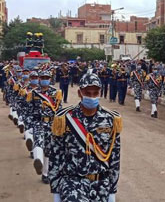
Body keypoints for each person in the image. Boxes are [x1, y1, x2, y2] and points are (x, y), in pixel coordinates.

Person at [48, 73, 121, 202]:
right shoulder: (64, 118)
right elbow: (56, 154)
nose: (92, 97)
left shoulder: (111, 119)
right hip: (73, 182)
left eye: (95, 93)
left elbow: (115, 158)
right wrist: (55, 190)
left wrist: (112, 191)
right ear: (80, 93)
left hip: (101, 183)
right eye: (88, 93)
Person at [31, 70, 62, 183]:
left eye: (46, 77)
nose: (44, 79)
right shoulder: (34, 93)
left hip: (52, 123)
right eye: (42, 77)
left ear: (50, 79)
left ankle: (45, 173)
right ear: (39, 79)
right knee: (38, 142)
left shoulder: (56, 92)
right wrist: (31, 124)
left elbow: (59, 110)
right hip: (39, 122)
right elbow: (31, 109)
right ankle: (38, 161)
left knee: (49, 149)